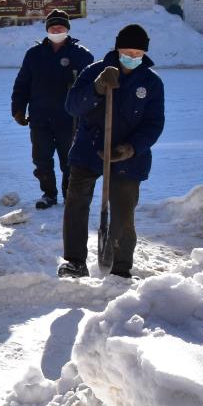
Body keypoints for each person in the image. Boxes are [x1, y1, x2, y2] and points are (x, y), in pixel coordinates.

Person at [58, 23, 165, 279]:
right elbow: (72, 107)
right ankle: (75, 261)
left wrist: (131, 148)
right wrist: (96, 88)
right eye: (127, 52)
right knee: (76, 204)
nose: (132, 58)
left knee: (123, 211)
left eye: (138, 54)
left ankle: (120, 267)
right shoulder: (94, 71)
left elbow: (154, 123)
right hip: (88, 150)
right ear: (117, 49)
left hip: (128, 157)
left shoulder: (151, 82)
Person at [10, 9, 93, 210]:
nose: (57, 29)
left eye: (61, 26)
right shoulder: (34, 55)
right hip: (40, 118)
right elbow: (22, 84)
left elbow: (92, 90)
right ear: (47, 30)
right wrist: (18, 109)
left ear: (67, 29)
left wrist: (89, 115)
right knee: (41, 159)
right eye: (53, 27)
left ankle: (69, 196)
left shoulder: (82, 55)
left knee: (69, 161)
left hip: (70, 120)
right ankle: (48, 194)